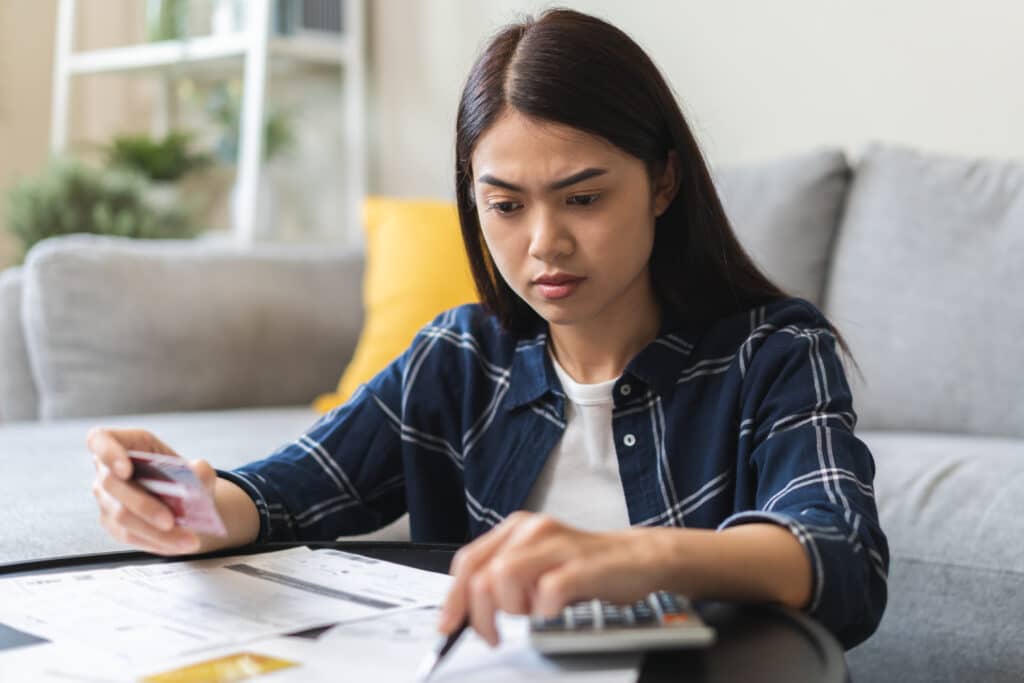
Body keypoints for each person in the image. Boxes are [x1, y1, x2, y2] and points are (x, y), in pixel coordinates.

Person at [88, 8, 888, 651]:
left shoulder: (773, 350)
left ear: (663, 181)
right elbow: (284, 494)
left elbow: (840, 555)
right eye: (505, 205)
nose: (544, 243)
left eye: (583, 197)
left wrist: (624, 557)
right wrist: (183, 507)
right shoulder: (462, 357)